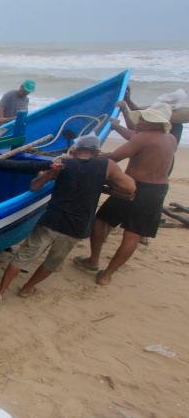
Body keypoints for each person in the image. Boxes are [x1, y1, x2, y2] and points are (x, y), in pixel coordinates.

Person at [0, 135, 134, 309]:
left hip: (52, 220)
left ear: (75, 149)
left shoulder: (63, 163)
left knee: (24, 256)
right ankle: (27, 288)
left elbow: (35, 186)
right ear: (96, 152)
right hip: (77, 226)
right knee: (53, 261)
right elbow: (130, 188)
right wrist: (104, 184)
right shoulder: (107, 165)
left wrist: (49, 172)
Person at [76, 104, 177, 284]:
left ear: (152, 123)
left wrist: (88, 156)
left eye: (144, 120)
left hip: (133, 187)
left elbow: (115, 156)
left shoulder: (143, 137)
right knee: (133, 234)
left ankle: (93, 260)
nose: (141, 122)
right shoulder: (170, 139)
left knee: (101, 221)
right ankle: (107, 275)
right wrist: (116, 126)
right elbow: (136, 138)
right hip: (157, 191)